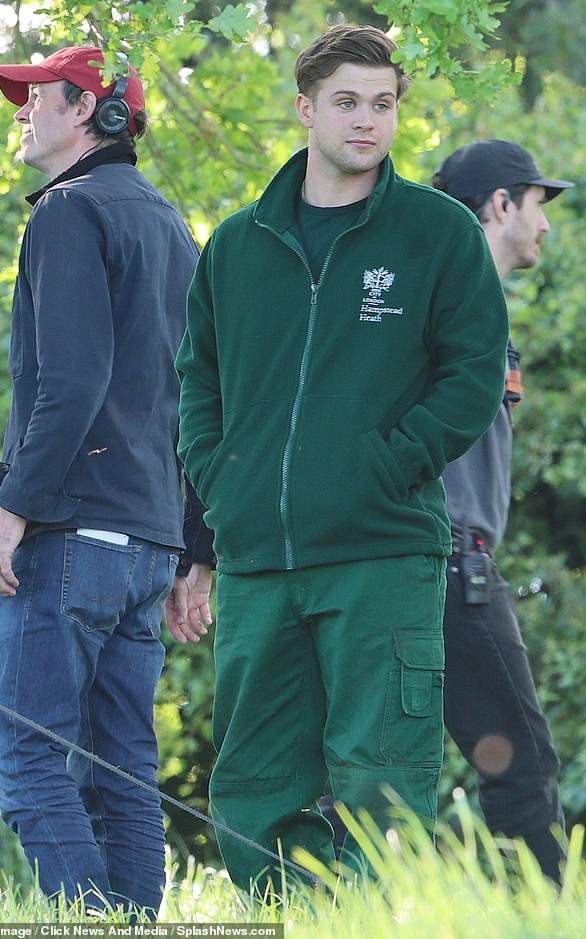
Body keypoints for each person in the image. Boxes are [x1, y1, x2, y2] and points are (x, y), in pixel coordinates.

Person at [175, 25, 509, 893]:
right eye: (348, 102)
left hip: (381, 551)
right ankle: (296, 914)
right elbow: (196, 386)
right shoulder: (235, 247)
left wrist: (386, 466)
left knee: (382, 784)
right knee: (251, 791)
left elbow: (472, 379)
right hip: (258, 562)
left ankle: (369, 918)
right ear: (305, 108)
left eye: (384, 104)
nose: (368, 121)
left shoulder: (439, 235)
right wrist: (223, 485)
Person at [0, 45, 211, 916]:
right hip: (146, 545)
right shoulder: (171, 225)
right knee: (121, 774)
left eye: (37, 98)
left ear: (93, 113)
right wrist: (197, 551)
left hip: (71, 535)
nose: (21, 113)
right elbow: (205, 404)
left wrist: (11, 513)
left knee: (22, 757)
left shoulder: (68, 213)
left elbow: (71, 387)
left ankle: (94, 926)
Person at [432, 139, 574, 883]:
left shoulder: (458, 299)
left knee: (372, 761)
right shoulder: (451, 304)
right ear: (499, 205)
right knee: (524, 762)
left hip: (438, 560)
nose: (547, 225)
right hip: (450, 564)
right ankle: (547, 916)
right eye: (538, 205)